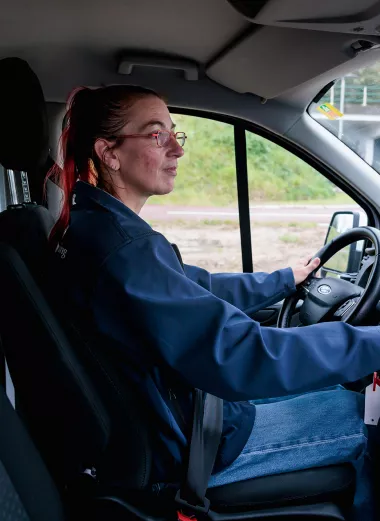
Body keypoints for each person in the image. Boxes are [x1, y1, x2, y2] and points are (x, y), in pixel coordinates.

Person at [50, 85, 380, 520]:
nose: (176, 150)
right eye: (155, 135)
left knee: (334, 389)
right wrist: (370, 343)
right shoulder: (125, 250)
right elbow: (238, 354)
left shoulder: (98, 229)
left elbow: (194, 289)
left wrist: (284, 280)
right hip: (193, 447)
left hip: (178, 417)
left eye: (174, 134)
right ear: (108, 152)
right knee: (362, 416)